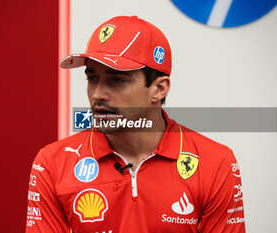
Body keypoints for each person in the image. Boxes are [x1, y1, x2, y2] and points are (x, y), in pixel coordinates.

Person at [25, 16, 245, 233]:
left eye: (117, 80)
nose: (98, 94)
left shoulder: (214, 162)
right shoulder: (53, 164)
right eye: (92, 78)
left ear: (159, 89)